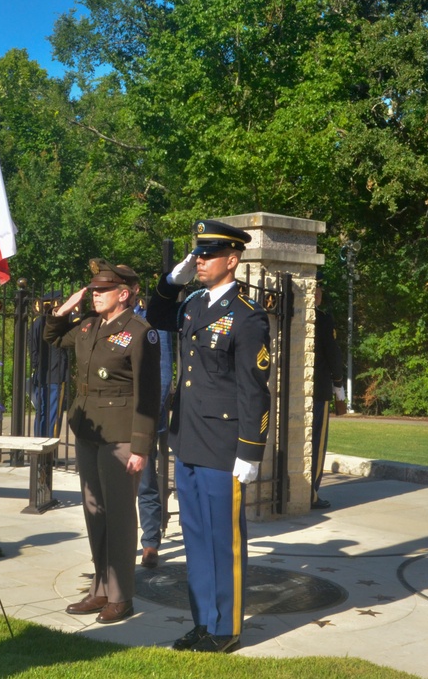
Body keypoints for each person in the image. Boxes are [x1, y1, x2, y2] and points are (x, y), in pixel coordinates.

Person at [146, 219, 271, 654]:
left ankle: (226, 628)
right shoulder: (194, 304)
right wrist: (169, 281)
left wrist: (250, 451)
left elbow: (254, 388)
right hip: (188, 439)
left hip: (223, 445)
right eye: (197, 254)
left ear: (232, 260)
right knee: (196, 537)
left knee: (223, 540)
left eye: (207, 254)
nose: (199, 260)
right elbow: (156, 315)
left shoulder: (248, 316)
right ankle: (203, 623)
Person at [44, 259, 160, 624]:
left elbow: (148, 393)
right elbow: (51, 338)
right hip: (89, 431)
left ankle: (121, 596)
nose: (95, 295)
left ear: (123, 294)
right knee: (94, 513)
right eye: (93, 289)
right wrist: (64, 308)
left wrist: (140, 447)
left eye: (102, 290)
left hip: (121, 436)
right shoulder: (88, 326)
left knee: (121, 517)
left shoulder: (141, 333)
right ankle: (99, 589)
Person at [133, 297, 174, 570]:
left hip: (141, 417)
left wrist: (152, 416)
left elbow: (163, 372)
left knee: (145, 482)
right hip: (112, 416)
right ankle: (115, 543)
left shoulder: (152, 323)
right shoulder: (101, 323)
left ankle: (150, 541)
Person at [311, 270, 345, 510]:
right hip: (319, 390)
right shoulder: (322, 320)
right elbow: (333, 354)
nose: (319, 293)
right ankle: (311, 492)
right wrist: (339, 382)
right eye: (317, 288)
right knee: (316, 444)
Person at [28, 291, 69, 437]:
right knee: (53, 414)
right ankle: (48, 453)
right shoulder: (55, 323)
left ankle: (38, 446)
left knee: (42, 411)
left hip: (41, 374)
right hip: (55, 373)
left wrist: (37, 368)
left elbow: (33, 350)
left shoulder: (36, 323)